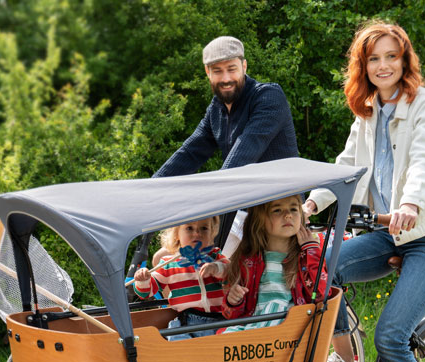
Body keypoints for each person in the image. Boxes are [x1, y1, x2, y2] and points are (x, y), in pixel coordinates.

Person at [303, 21, 425, 362]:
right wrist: (310, 206)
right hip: (388, 236)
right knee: (319, 267)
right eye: (374, 58)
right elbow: (346, 167)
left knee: (391, 336)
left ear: (405, 60)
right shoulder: (367, 111)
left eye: (392, 56)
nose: (383, 65)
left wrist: (409, 205)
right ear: (364, 65)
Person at [153, 36, 299, 255]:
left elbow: (240, 159)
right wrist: (148, 189)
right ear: (207, 73)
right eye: (218, 71)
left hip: (277, 213)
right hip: (241, 211)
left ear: (244, 66)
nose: (226, 78)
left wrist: (206, 201)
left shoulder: (268, 98)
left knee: (213, 263)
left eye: (232, 69)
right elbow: (189, 153)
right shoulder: (216, 110)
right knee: (165, 258)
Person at [219, 195, 327, 333]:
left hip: (291, 331)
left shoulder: (305, 257)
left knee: (275, 305)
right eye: (277, 210)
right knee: (223, 339)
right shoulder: (247, 261)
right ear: (260, 220)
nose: (288, 215)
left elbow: (321, 294)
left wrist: (311, 250)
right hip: (253, 329)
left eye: (294, 209)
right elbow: (233, 314)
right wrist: (233, 301)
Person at [133, 217, 229, 341]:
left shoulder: (216, 257)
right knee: (174, 335)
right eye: (189, 228)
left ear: (211, 234)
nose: (197, 233)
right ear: (176, 235)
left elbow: (233, 273)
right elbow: (147, 291)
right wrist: (143, 280)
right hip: (188, 322)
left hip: (220, 321)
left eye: (204, 228)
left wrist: (217, 268)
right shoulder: (169, 264)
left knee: (234, 335)